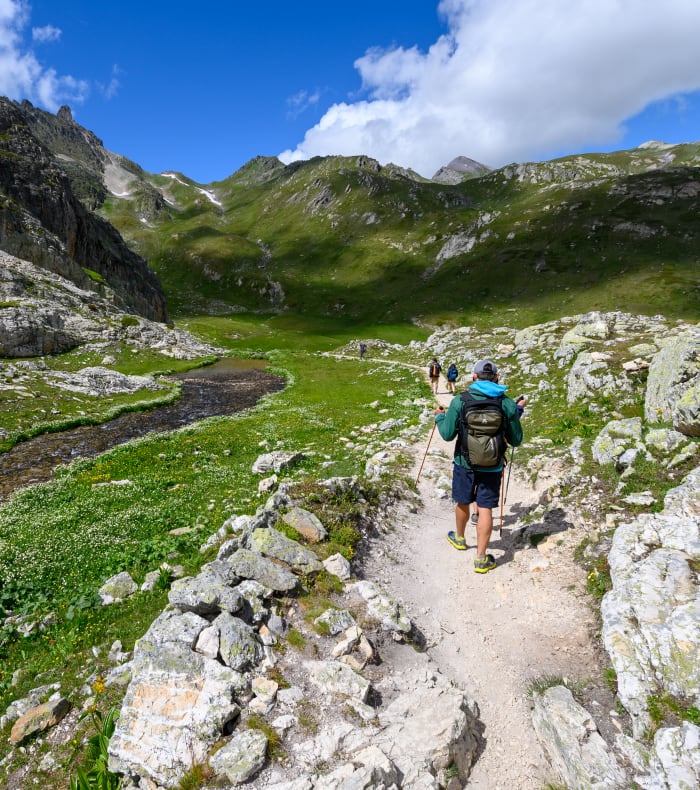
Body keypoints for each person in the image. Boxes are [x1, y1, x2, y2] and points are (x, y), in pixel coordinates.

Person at [434, 360, 523, 573]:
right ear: (496, 378)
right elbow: (516, 439)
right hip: (492, 466)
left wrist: (439, 416)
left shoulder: (460, 401)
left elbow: (447, 435)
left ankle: (460, 538)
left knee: (463, 501)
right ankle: (481, 559)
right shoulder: (506, 403)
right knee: (485, 508)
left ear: (474, 377)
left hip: (464, 463)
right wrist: (516, 414)